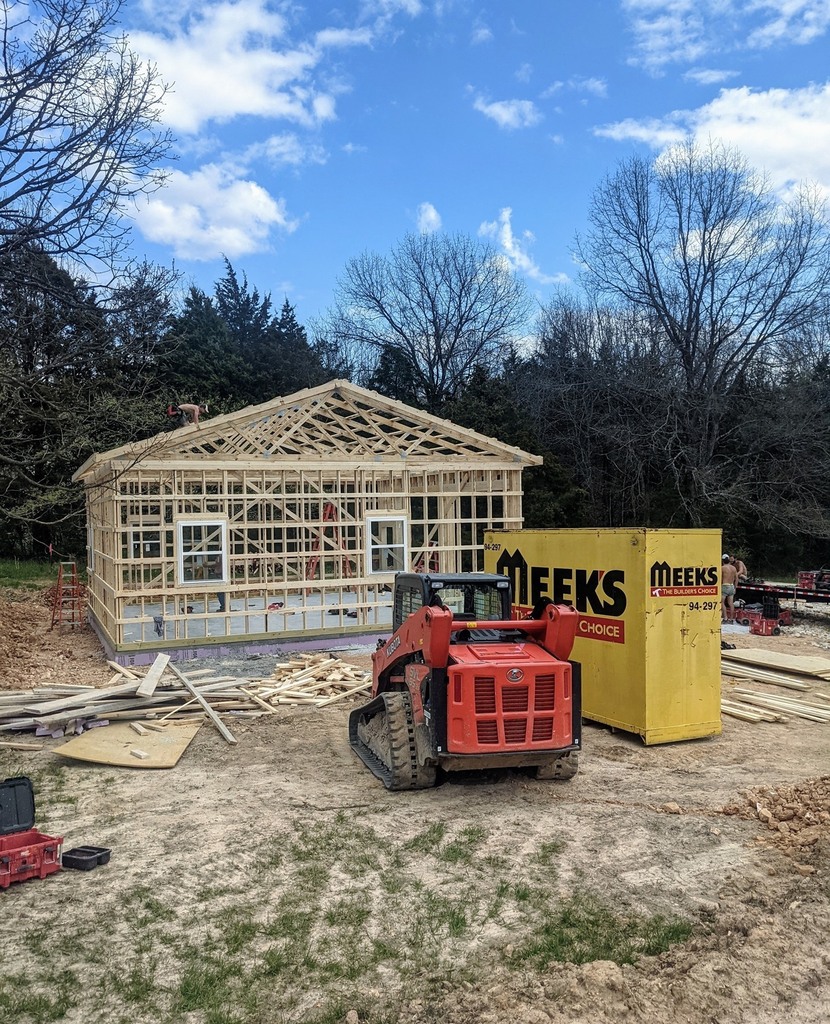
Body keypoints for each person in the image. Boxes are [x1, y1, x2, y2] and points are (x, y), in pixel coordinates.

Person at [721, 554, 739, 623]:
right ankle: (731, 619)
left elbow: (720, 579)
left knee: (722, 602)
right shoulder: (733, 568)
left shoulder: (722, 568)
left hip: (725, 586)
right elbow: (736, 579)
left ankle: (725, 618)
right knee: (731, 603)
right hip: (731, 586)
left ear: (723, 561)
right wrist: (735, 587)